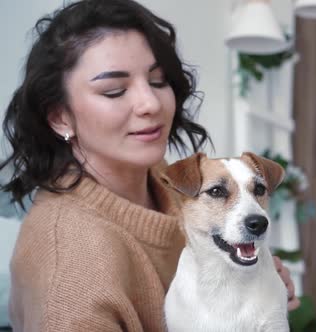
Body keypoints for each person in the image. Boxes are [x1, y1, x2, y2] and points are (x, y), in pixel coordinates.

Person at [0, 0, 298, 331]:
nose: (150, 103)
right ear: (59, 116)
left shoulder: (158, 175)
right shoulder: (70, 268)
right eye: (114, 90)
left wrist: (255, 291)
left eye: (158, 81)